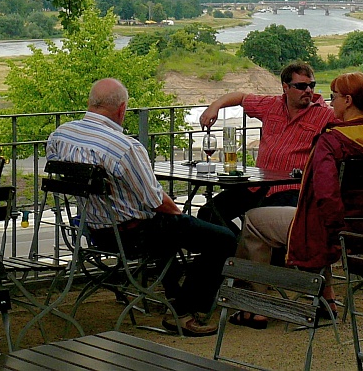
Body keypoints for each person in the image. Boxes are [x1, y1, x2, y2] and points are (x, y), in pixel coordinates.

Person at [46, 78, 236, 337]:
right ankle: (184, 309)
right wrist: (181, 215)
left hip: (90, 230)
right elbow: (156, 201)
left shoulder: (60, 136)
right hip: (133, 235)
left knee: (171, 230)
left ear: (91, 103)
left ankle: (175, 293)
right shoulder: (124, 148)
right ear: (122, 109)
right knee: (223, 239)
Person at [230, 72, 363, 328]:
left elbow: (325, 196)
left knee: (254, 221)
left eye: (333, 97)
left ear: (348, 100)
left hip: (331, 231)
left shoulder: (331, 141)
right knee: (315, 219)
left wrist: (336, 232)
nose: (330, 103)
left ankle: (255, 306)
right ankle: (325, 298)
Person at [197, 62, 336, 232]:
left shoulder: (326, 114)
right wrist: (215, 106)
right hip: (257, 185)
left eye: (311, 85)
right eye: (301, 86)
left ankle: (246, 251)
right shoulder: (271, 105)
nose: (308, 90)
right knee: (208, 214)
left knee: (267, 225)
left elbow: (353, 125)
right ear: (286, 87)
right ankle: (235, 248)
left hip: (293, 189)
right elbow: (241, 98)